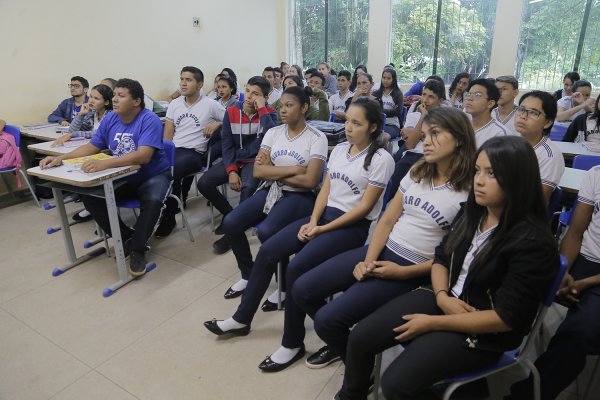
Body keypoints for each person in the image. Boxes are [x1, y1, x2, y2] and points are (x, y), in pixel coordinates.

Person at [334, 135, 560, 400]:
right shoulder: (474, 211)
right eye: (478, 170)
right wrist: (441, 297)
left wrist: (434, 323)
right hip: (445, 296)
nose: (478, 180)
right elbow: (442, 258)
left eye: (492, 174)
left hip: (483, 324)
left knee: (395, 384)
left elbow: (507, 318)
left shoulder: (533, 241)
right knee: (360, 338)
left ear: (518, 180)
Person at [203, 99, 394, 367]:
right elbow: (326, 191)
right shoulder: (340, 149)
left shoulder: (381, 158)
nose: (348, 127)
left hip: (350, 227)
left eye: (356, 123)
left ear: (373, 127)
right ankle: (241, 318)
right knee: (268, 250)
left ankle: (292, 343)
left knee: (296, 269)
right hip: (322, 216)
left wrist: (322, 228)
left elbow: (364, 208)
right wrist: (314, 219)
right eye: (347, 120)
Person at [294, 106, 477, 370]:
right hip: (383, 251)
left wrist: (403, 273)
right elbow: (388, 220)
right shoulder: (419, 170)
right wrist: (368, 261)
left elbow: (456, 257)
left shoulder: (471, 190)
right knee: (302, 289)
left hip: (416, 268)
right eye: (424, 135)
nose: (425, 142)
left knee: (326, 320)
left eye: (435, 134)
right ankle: (348, 351)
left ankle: (358, 365)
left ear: (459, 138)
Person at [40, 78, 170, 276]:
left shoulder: (148, 119)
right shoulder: (111, 118)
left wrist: (104, 163)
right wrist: (62, 158)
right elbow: (93, 146)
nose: (114, 99)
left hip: (152, 174)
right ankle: (127, 238)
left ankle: (136, 250)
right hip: (123, 174)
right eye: (114, 95)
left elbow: (144, 156)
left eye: (121, 95)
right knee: (91, 196)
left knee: (152, 201)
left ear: (136, 101)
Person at [216, 86, 328, 299]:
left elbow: (310, 180)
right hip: (272, 190)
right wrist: (294, 169)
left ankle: (284, 285)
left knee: (268, 231)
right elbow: (258, 171)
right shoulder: (273, 132)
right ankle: (248, 274)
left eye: (289, 105)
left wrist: (273, 172)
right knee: (231, 223)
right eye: (281, 106)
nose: (282, 110)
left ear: (304, 107)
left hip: (301, 196)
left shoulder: (316, 137)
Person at [507, 165, 600, 400]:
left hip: (594, 278)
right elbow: (576, 232)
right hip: (586, 262)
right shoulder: (596, 174)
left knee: (579, 333)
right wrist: (564, 270)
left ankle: (527, 395)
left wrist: (587, 282)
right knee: (525, 283)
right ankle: (481, 355)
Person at [197, 76, 278, 255]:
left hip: (254, 161)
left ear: (264, 97)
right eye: (248, 91)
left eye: (256, 94)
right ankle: (229, 215)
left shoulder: (270, 113)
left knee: (248, 187)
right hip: (235, 158)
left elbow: (273, 137)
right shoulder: (232, 111)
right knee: (204, 183)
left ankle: (232, 233)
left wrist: (262, 108)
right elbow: (227, 144)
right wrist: (231, 170)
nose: (249, 96)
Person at [155, 66, 225, 237]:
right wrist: (162, 153)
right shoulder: (175, 104)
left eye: (188, 80)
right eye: (181, 79)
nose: (183, 83)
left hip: (195, 153)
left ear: (200, 84)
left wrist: (217, 123)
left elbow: (233, 118)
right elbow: (168, 133)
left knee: (172, 170)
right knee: (156, 166)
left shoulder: (210, 105)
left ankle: (168, 217)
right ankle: (163, 207)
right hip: (175, 149)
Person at [515, 90, 565, 204]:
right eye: (521, 109)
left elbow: (537, 202)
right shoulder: (510, 142)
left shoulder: (550, 156)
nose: (523, 116)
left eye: (533, 113)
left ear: (547, 122)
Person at [463, 78, 507, 148]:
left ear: (490, 103)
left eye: (477, 95)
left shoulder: (500, 134)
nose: (469, 98)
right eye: (469, 94)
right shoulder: (462, 127)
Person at [373, 68, 404, 139]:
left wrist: (381, 111)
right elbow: (373, 109)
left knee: (382, 137)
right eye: (384, 78)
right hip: (377, 124)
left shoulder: (398, 94)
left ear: (393, 79)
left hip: (392, 125)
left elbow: (399, 112)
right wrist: (391, 111)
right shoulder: (376, 93)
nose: (385, 80)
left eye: (389, 78)